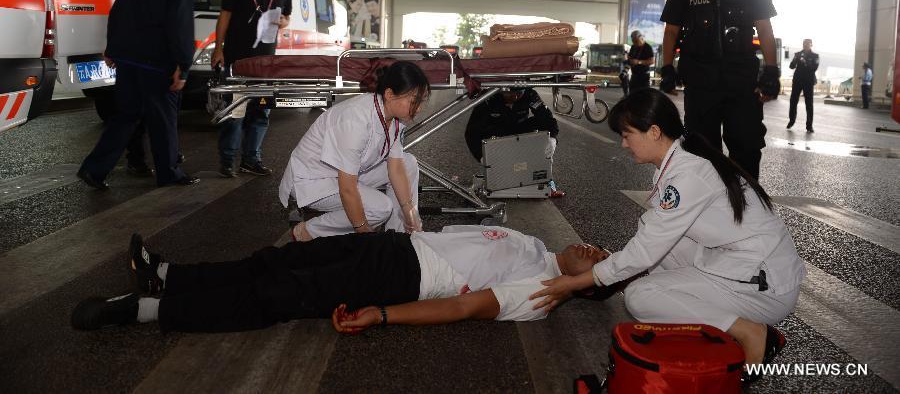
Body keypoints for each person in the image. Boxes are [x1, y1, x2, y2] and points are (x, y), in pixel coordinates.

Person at [529, 89, 805, 378]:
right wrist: (612, 273)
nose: (624, 144)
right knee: (656, 249)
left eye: (627, 135)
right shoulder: (681, 161)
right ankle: (719, 328)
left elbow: (644, 251)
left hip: (765, 287)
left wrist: (574, 283)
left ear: (654, 132)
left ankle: (750, 331)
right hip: (746, 268)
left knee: (640, 296)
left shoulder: (688, 174)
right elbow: (653, 243)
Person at [70, 228, 609, 333]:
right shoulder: (537, 245)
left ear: (589, 286)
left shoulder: (542, 292)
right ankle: (166, 276)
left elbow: (464, 308)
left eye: (598, 261)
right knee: (274, 262)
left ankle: (142, 310)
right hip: (393, 245)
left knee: (276, 296)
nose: (591, 250)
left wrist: (382, 314)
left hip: (402, 275)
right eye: (599, 247)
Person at [658, 0, 779, 180]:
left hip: (741, 81)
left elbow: (764, 28)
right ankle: (709, 205)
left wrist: (771, 71)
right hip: (700, 82)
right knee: (702, 152)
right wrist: (667, 68)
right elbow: (671, 31)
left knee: (746, 147)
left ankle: (746, 204)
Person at [77, 0, 201, 189]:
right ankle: (169, 173)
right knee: (164, 120)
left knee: (126, 116)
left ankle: (94, 169)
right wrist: (183, 66)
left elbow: (117, 11)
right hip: (158, 64)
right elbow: (181, 30)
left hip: (127, 60)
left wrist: (112, 48)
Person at [279, 61, 429, 240]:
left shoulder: (394, 117)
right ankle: (309, 231)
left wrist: (409, 210)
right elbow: (348, 189)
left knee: (408, 163)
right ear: (389, 94)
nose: (419, 108)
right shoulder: (355, 120)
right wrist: (364, 232)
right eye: (414, 101)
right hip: (314, 180)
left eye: (421, 101)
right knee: (380, 208)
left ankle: (399, 237)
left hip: (348, 173)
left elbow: (396, 167)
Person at [210, 0, 292, 177]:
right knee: (235, 111)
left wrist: (283, 22)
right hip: (238, 59)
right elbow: (225, 16)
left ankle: (251, 160)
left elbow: (287, 18)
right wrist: (218, 48)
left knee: (261, 111)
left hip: (266, 62)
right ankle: (227, 161)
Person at [108, 0, 179, 178]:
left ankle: (169, 156)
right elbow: (120, 7)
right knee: (133, 109)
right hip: (134, 51)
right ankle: (136, 158)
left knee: (163, 111)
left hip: (161, 53)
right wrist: (112, 46)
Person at [464, 88, 560, 163]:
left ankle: (540, 158)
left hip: (520, 129)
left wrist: (553, 138)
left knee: (541, 122)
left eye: (519, 93)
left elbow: (546, 117)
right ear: (500, 90)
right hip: (496, 133)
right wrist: (481, 156)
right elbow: (472, 131)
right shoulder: (487, 97)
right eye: (510, 93)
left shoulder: (529, 94)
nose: (515, 97)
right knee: (479, 129)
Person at [787, 39, 819, 132]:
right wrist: (795, 59)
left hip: (808, 82)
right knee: (793, 101)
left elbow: (814, 68)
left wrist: (805, 61)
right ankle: (791, 121)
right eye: (804, 44)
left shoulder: (815, 56)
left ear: (811, 45)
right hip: (797, 81)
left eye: (808, 44)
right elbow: (791, 66)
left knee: (809, 104)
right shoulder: (797, 54)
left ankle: (809, 126)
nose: (806, 45)